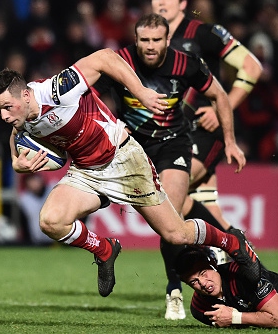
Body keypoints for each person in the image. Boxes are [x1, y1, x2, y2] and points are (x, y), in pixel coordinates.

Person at [0, 47, 260, 298]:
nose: (5, 116)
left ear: (26, 94)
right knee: (51, 221)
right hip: (85, 170)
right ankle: (104, 250)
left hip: (123, 160)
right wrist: (15, 161)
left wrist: (140, 92)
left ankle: (233, 242)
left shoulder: (57, 89)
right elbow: (17, 132)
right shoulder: (20, 116)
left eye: (8, 107)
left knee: (177, 235)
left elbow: (105, 57)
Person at [92, 13, 246, 319]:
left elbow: (219, 94)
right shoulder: (119, 61)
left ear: (166, 40)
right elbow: (86, 94)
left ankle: (173, 290)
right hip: (130, 146)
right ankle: (222, 238)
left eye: (156, 40)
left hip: (173, 143)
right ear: (136, 40)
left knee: (172, 219)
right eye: (144, 40)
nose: (150, 46)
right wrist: (107, 124)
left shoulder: (185, 63)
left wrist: (230, 141)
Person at [152, 0, 262, 319]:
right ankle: (247, 263)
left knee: (169, 203)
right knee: (201, 210)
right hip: (171, 134)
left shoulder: (204, 32)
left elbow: (251, 66)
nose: (160, 2)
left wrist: (222, 107)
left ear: (183, 3)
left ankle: (174, 289)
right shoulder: (149, 41)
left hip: (204, 129)